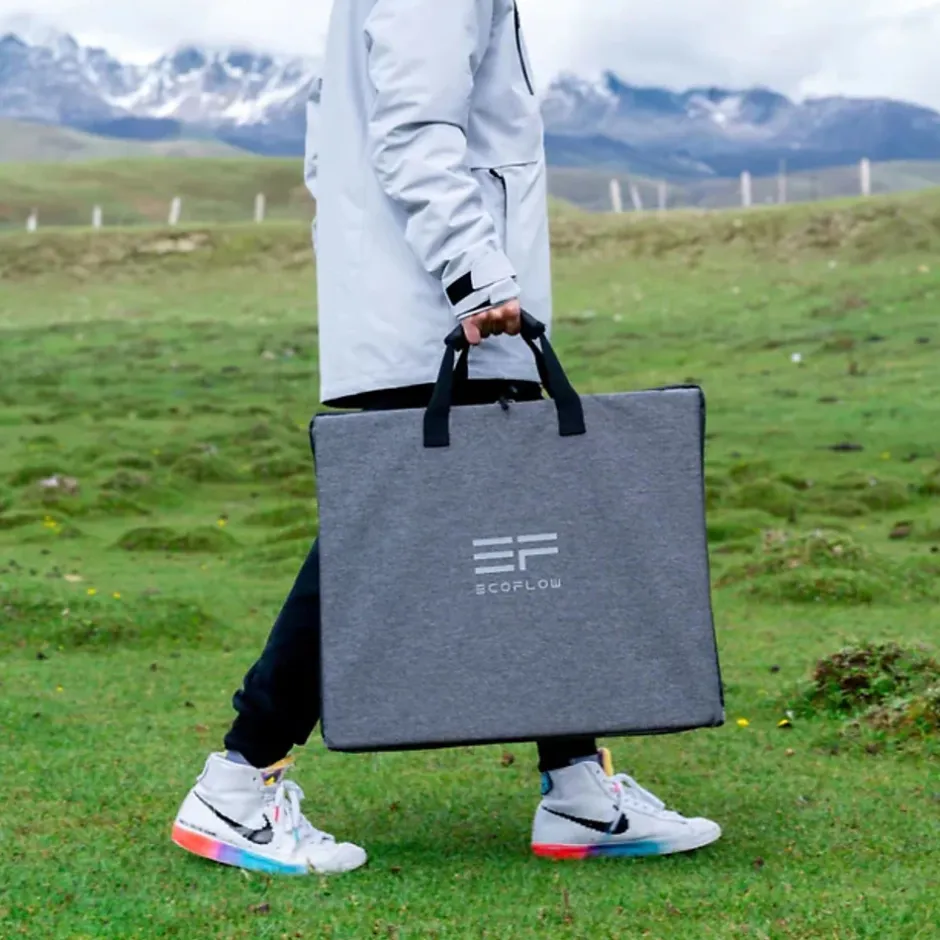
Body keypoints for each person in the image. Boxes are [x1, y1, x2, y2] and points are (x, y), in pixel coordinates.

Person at [171, 0, 721, 876]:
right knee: (380, 546)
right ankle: (238, 781)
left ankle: (578, 785)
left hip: (432, 297)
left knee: (523, 535)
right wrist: (477, 274)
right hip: (443, 303)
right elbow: (413, 131)